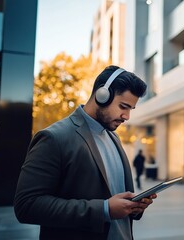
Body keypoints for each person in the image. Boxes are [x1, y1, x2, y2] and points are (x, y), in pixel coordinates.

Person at [14, 65, 157, 240]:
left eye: (130, 109)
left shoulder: (114, 138)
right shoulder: (53, 138)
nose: (126, 116)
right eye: (123, 106)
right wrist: (104, 209)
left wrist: (133, 206)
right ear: (102, 95)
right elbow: (27, 206)